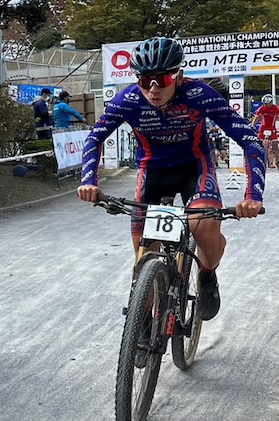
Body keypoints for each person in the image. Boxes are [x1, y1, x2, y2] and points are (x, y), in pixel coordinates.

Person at [78, 36, 265, 321]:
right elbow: (95, 138)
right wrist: (89, 179)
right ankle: (142, 319)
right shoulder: (128, 100)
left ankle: (206, 274)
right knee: (144, 258)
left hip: (195, 168)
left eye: (162, 80)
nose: (153, 89)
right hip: (152, 173)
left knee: (202, 228)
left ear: (178, 76)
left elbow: (250, 140)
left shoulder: (199, 94)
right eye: (145, 81)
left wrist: (253, 196)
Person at [251, 94, 279, 169]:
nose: (266, 105)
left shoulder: (276, 108)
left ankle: (277, 161)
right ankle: (260, 160)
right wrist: (253, 125)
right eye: (264, 104)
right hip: (263, 128)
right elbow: (257, 118)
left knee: (275, 145)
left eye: (267, 104)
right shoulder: (262, 108)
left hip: (272, 128)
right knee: (260, 144)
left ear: (271, 102)